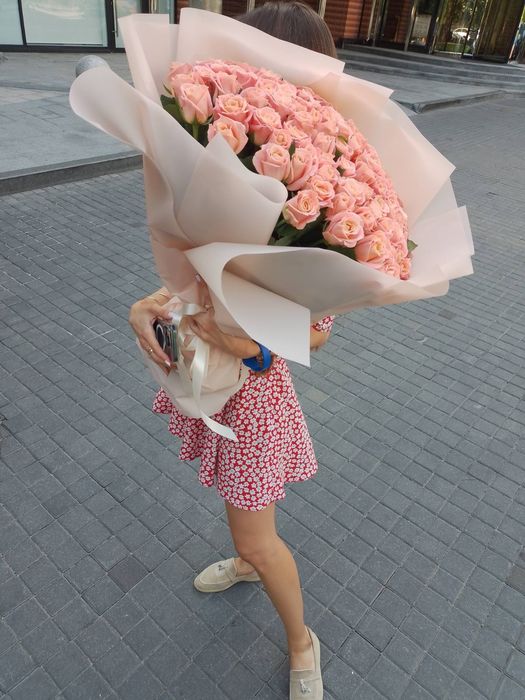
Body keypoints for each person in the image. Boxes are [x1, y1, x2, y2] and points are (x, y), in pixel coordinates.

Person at [128, 4, 337, 698]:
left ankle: (301, 641)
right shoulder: (223, 160)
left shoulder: (317, 200)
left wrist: (252, 344)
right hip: (215, 375)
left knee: (255, 534)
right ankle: (248, 564)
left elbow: (316, 328)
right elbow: (192, 273)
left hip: (254, 398)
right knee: (244, 515)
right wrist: (149, 305)